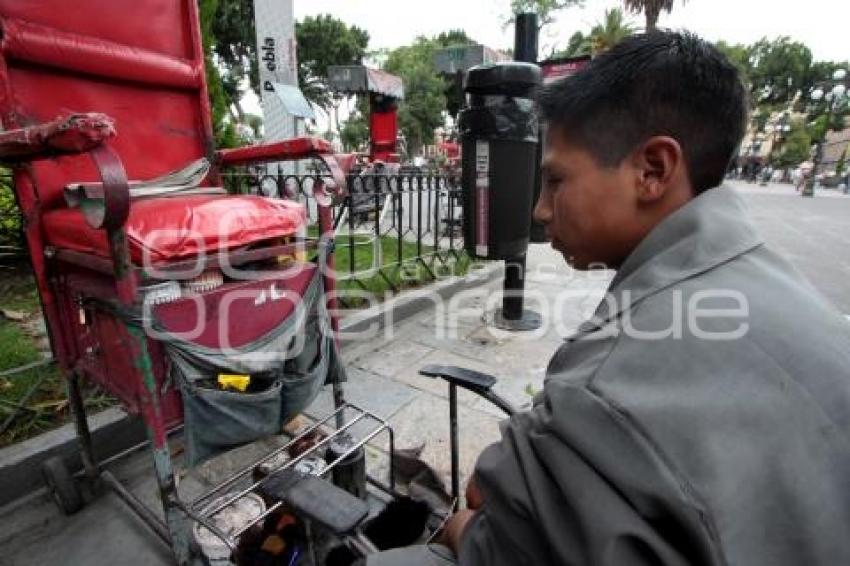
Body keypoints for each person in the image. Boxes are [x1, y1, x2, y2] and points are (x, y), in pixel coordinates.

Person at [367, 31, 850, 565]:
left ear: (653, 170)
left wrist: (459, 530)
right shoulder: (791, 297)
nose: (540, 211)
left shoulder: (616, 370)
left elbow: (496, 533)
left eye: (555, 182)